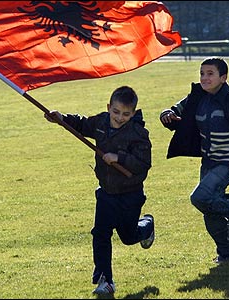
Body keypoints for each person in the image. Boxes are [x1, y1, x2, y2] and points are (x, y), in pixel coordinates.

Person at [44, 86, 154, 295]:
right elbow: (83, 124)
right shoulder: (101, 122)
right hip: (106, 192)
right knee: (101, 234)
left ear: (133, 113)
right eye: (116, 112)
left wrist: (119, 158)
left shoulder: (138, 133)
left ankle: (146, 227)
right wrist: (61, 118)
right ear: (108, 108)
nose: (119, 118)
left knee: (128, 237)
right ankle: (105, 280)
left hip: (130, 193)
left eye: (126, 114)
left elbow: (143, 163)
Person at [160, 57, 229, 264]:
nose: (204, 78)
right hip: (209, 162)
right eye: (202, 73)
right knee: (209, 210)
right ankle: (228, 253)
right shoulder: (197, 98)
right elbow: (176, 111)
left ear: (223, 77)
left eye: (210, 74)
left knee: (200, 198)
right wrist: (168, 114)